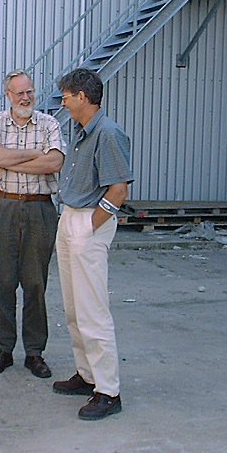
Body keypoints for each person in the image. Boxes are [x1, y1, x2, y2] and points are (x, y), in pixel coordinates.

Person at [52, 68, 134, 420]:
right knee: (74, 309)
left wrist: (89, 225)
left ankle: (108, 391)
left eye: (66, 96)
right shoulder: (84, 131)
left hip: (87, 222)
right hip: (70, 217)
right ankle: (87, 375)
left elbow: (119, 190)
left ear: (82, 97)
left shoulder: (109, 133)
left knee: (92, 311)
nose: (63, 102)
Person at [0, 69, 66, 378]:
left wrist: (10, 157)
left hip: (40, 210)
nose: (26, 97)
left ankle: (34, 352)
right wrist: (32, 154)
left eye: (30, 91)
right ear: (8, 96)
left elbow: (54, 162)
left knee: (35, 283)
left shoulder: (50, 124)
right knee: (2, 282)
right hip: (2, 206)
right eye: (19, 93)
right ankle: (3, 349)